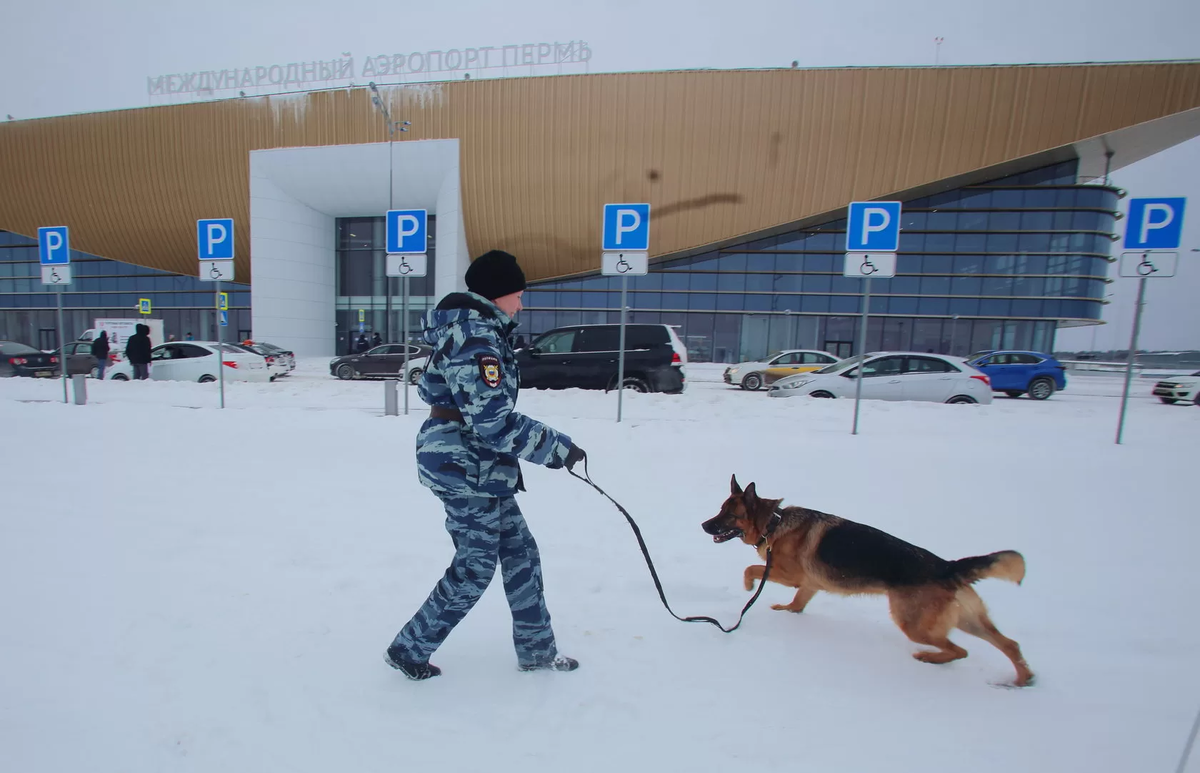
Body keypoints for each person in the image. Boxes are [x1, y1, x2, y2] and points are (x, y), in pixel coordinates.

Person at [385, 249, 586, 681]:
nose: (521, 303)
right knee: (476, 565)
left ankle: (536, 651)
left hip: (479, 466)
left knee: (520, 554)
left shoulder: (477, 331)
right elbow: (491, 421)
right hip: (464, 466)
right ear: (500, 294)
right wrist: (556, 448)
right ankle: (409, 648)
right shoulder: (476, 338)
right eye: (518, 294)